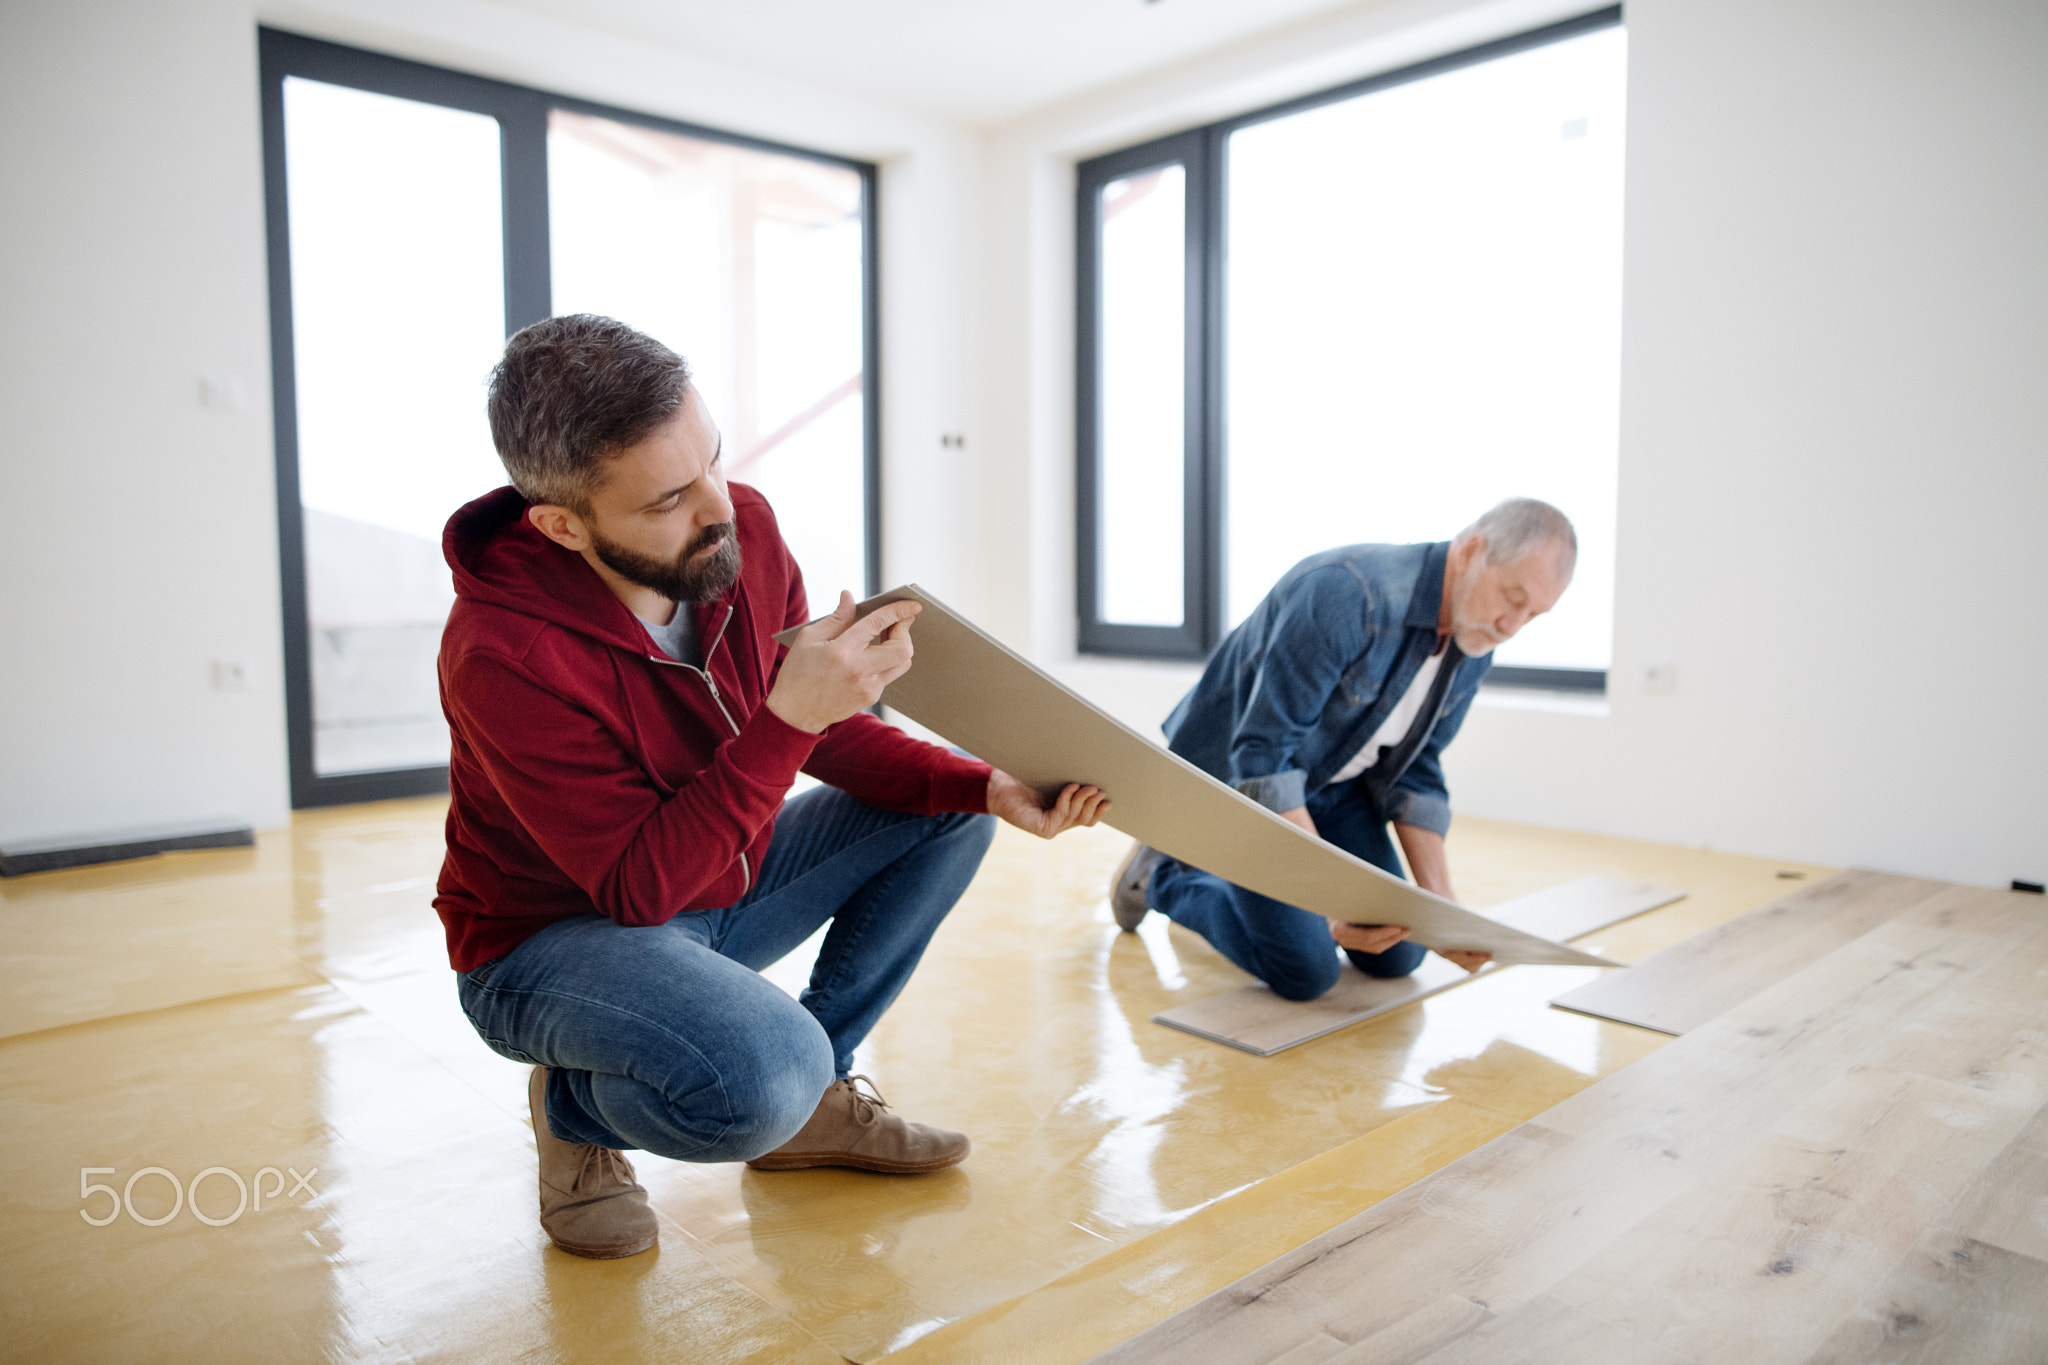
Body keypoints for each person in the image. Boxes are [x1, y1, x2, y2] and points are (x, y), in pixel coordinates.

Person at [435, 314, 1107, 1260]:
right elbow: (640, 890)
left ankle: (816, 1102)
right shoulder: (503, 653)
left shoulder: (738, 529)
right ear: (560, 524)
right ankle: (576, 1107)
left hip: (712, 885)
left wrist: (990, 784)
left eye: (712, 458)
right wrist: (790, 717)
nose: (719, 505)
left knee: (947, 816)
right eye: (670, 497)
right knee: (758, 1077)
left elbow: (833, 747)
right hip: (549, 945)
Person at [1109, 499, 1576, 1001]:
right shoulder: (1346, 593)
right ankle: (1165, 874)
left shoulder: (1475, 637)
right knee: (1308, 972)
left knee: (1398, 953)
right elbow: (1263, 760)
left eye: (1534, 615)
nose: (1512, 626)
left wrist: (1444, 910)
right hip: (1235, 787)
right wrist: (1330, 906)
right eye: (1512, 596)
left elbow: (1416, 768)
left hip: (1332, 787)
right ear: (1471, 551)